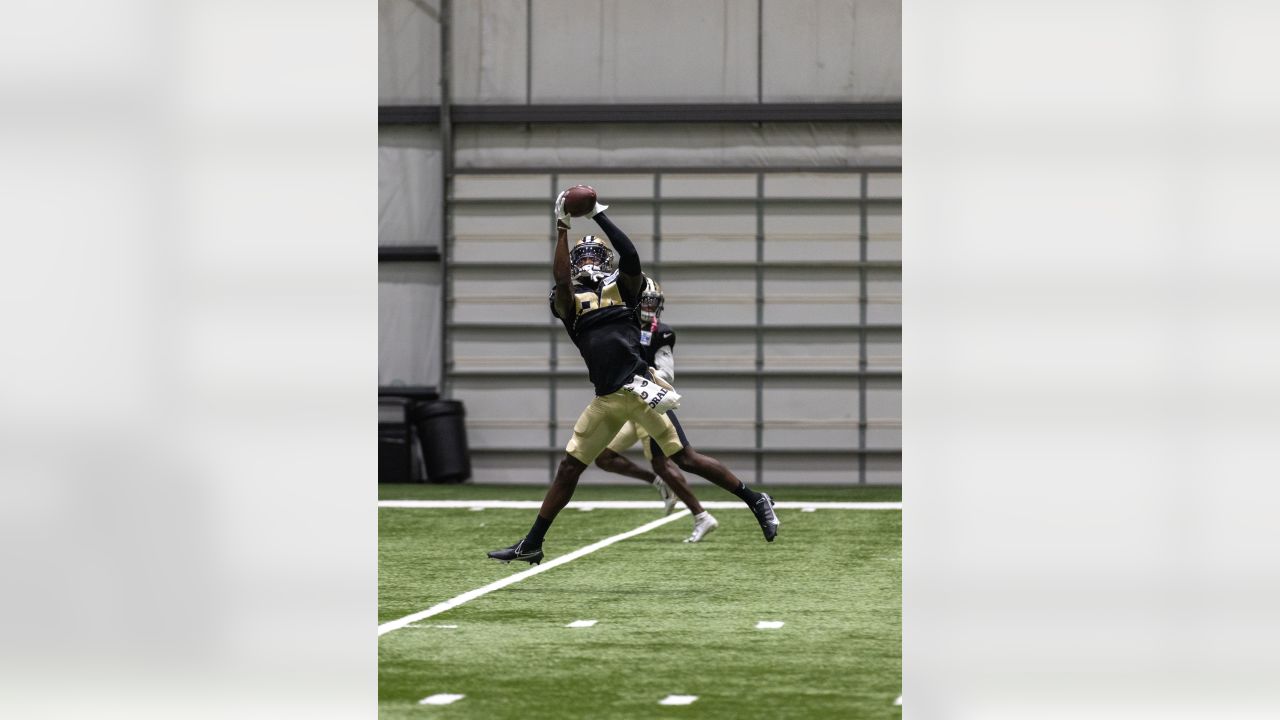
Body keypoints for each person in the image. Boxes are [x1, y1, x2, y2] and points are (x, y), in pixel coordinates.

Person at [487, 190, 779, 565]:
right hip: (608, 398)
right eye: (583, 255)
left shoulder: (623, 291)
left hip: (642, 388)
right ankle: (532, 543)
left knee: (685, 459)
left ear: (605, 261)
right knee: (570, 467)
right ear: (575, 263)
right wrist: (562, 227)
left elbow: (632, 258)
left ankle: (755, 499)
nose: (590, 260)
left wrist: (598, 215)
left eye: (596, 254)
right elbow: (561, 282)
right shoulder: (569, 302)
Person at [590, 277, 719, 543]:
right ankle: (657, 483)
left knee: (664, 462)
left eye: (652, 301)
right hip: (627, 407)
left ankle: (701, 516)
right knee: (603, 457)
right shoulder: (623, 326)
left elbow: (668, 374)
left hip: (648, 404)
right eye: (644, 301)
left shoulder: (662, 332)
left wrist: (642, 374)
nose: (649, 306)